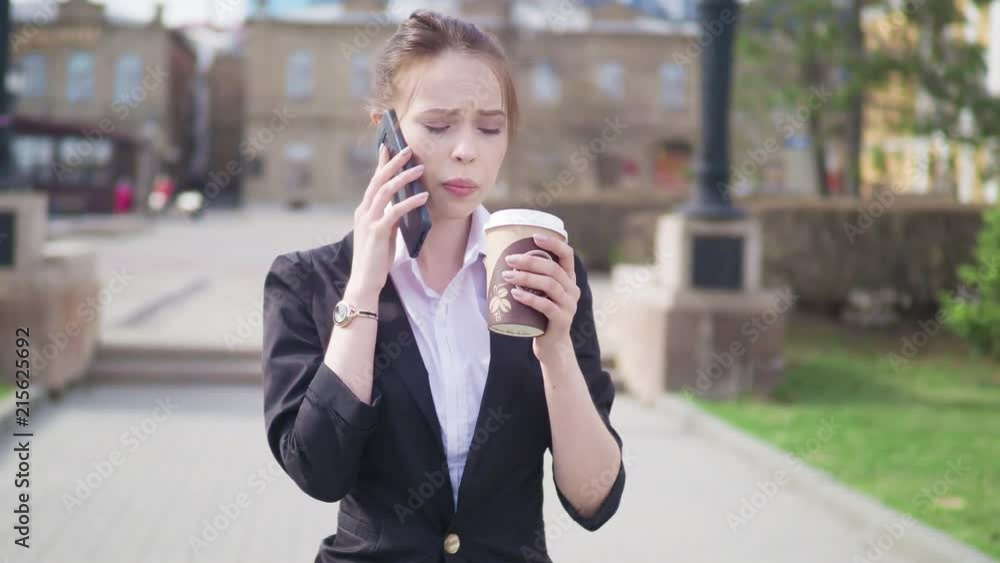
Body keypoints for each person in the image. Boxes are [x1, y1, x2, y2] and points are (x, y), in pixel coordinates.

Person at [261, 10, 625, 563]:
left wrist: (555, 350)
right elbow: (319, 471)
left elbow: (594, 498)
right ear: (385, 129)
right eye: (437, 125)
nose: (466, 150)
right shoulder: (307, 281)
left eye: (490, 127)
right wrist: (363, 291)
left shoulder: (544, 277)